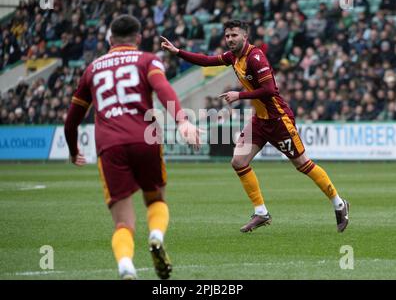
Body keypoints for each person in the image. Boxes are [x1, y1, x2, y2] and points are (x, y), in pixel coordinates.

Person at [161, 19, 350, 233]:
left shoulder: (256, 57)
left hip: (278, 119)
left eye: (234, 35)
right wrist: (177, 51)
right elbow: (206, 61)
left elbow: (269, 90)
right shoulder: (233, 57)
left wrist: (239, 94)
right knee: (238, 161)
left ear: (245, 36)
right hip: (259, 120)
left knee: (303, 164)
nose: (230, 39)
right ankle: (261, 212)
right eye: (227, 36)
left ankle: (339, 204)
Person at [64, 15, 200, 280]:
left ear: (110, 39)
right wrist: (182, 121)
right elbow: (163, 89)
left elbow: (72, 119)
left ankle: (126, 266)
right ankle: (156, 236)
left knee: (123, 222)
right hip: (145, 139)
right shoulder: (147, 60)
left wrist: (72, 149)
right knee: (156, 199)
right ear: (138, 39)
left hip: (110, 146)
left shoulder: (92, 68)